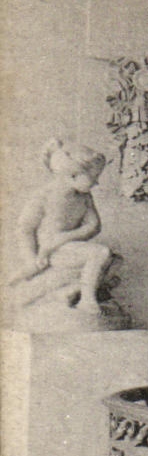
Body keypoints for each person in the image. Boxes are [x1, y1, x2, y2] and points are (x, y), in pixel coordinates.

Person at [6, 139, 118, 329]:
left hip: (65, 247)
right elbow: (25, 229)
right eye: (93, 176)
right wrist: (30, 259)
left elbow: (94, 226)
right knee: (100, 253)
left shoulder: (84, 197)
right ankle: (86, 299)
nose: (97, 182)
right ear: (73, 175)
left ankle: (71, 292)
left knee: (115, 261)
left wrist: (64, 238)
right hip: (52, 254)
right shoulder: (44, 196)